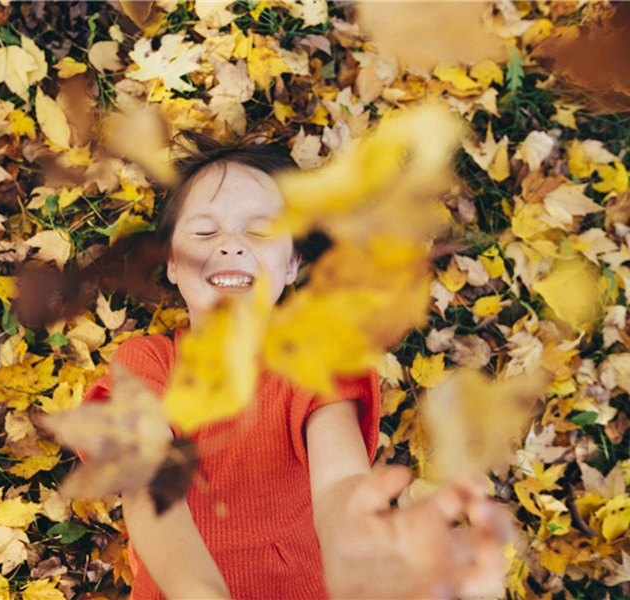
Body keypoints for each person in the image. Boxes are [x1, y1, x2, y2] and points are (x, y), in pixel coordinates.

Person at [83, 134, 511, 599]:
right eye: (205, 232)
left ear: (291, 264)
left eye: (260, 231)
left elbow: (340, 478)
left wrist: (358, 531)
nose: (230, 244)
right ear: (170, 265)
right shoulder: (146, 362)